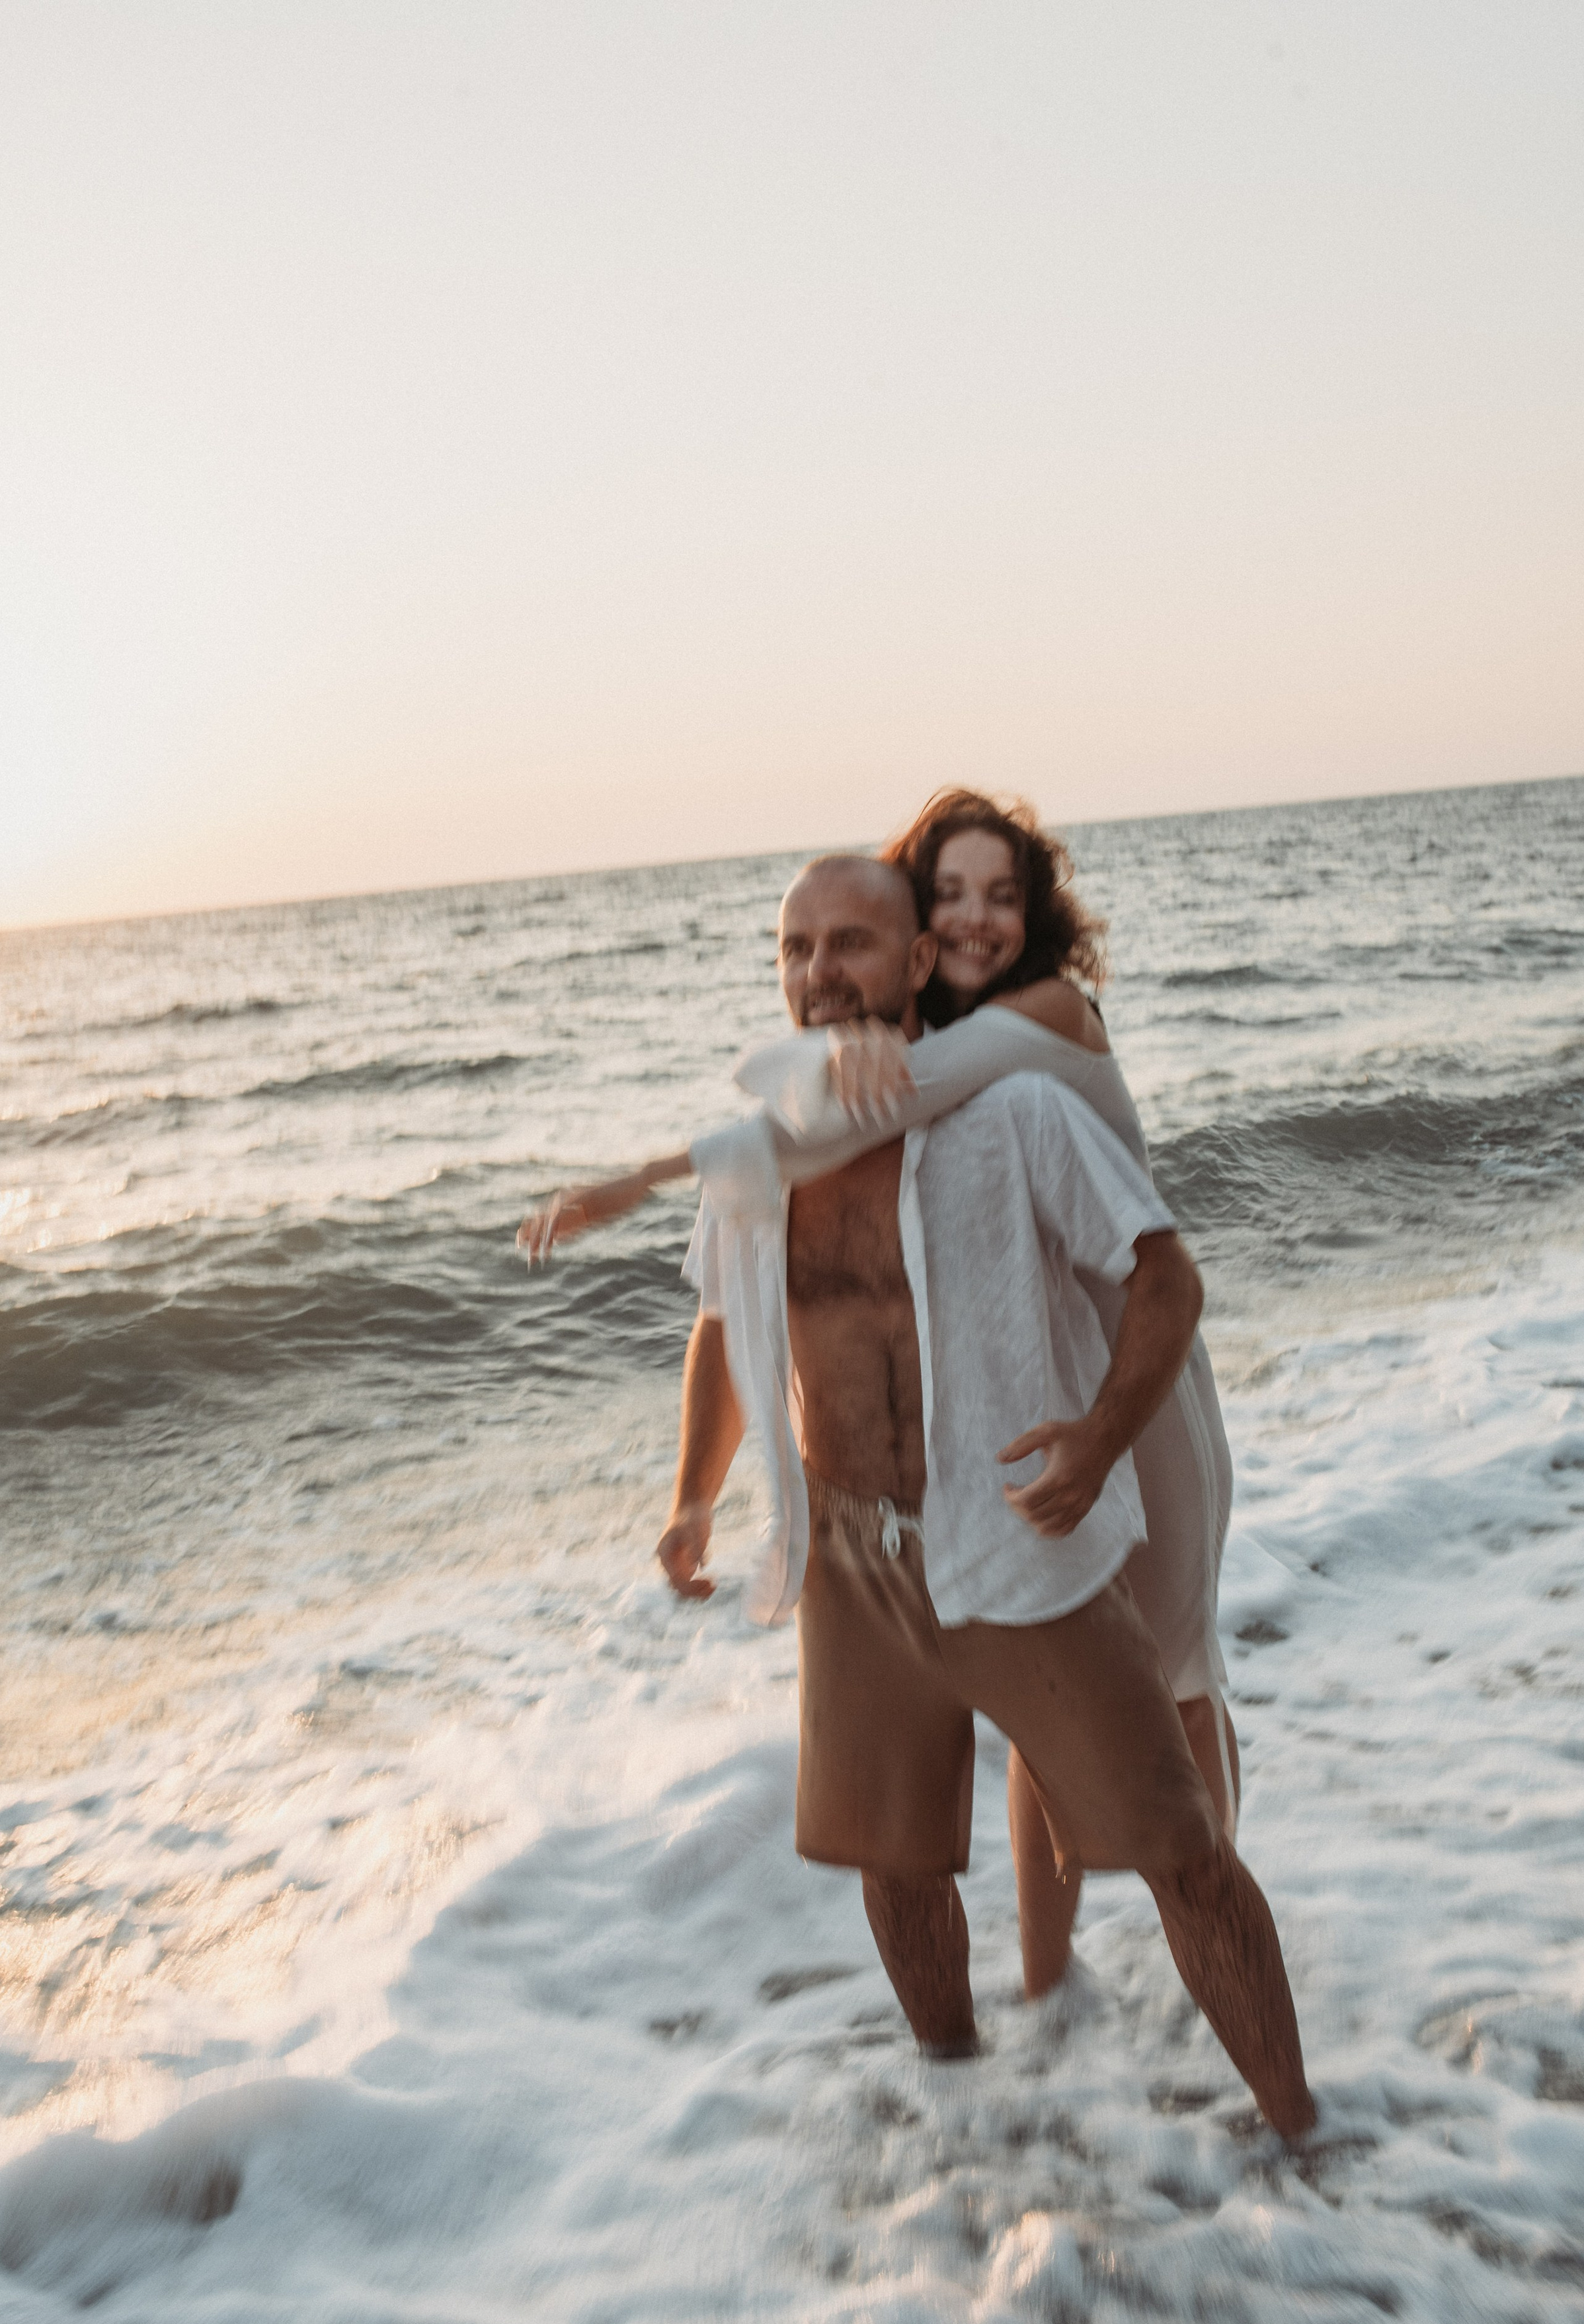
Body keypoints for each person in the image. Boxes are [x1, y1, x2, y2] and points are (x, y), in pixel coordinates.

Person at [524, 847, 1314, 2138]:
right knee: (891, 1865)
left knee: (1177, 1852)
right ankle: (961, 2114)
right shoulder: (761, 1161)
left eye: (848, 943)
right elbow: (727, 1333)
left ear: (915, 964)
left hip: (1005, 1538)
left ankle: (1297, 2132)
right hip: (847, 1556)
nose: (819, 972)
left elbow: (1164, 1280)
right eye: (793, 948)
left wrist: (1104, 1438)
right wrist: (689, 1501)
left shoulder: (1011, 1115)